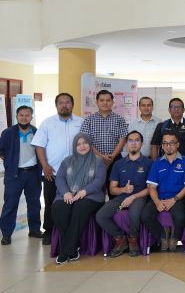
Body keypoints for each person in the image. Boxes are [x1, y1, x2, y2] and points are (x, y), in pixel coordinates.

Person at [32, 93, 83, 245]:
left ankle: (70, 232)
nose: (64, 105)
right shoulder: (47, 123)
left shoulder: (81, 122)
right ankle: (49, 231)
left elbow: (87, 145)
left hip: (76, 172)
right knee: (51, 202)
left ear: (72, 105)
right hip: (52, 172)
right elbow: (39, 146)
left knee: (74, 202)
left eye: (67, 102)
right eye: (61, 103)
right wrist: (45, 165)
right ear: (56, 105)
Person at [96, 131, 152, 257]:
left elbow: (151, 189)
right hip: (122, 196)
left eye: (137, 140)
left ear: (141, 144)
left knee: (134, 213)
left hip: (140, 196)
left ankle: (133, 240)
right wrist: (123, 190)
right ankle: (120, 239)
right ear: (126, 144)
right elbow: (112, 189)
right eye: (130, 140)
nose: (133, 143)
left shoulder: (149, 163)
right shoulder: (118, 164)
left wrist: (133, 196)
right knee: (100, 215)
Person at [51, 133, 106, 264]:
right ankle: (72, 248)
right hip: (68, 193)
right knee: (58, 208)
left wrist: (85, 191)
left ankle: (65, 251)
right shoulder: (67, 161)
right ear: (74, 147)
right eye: (78, 144)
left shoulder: (98, 161)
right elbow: (60, 178)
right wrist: (65, 192)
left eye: (85, 143)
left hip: (92, 195)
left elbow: (99, 181)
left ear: (90, 144)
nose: (82, 146)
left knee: (79, 208)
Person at [0, 106, 42, 245]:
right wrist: (9, 163)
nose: (24, 117)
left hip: (33, 174)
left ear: (31, 117)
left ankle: (34, 230)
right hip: (14, 175)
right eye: (21, 115)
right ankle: (6, 234)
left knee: (34, 203)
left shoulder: (36, 132)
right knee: (10, 205)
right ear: (16, 116)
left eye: (27, 115)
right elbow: (1, 150)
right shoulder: (8, 133)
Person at [142, 131, 185, 252]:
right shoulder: (157, 163)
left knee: (180, 216)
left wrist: (174, 200)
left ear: (177, 144)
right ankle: (162, 236)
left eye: (172, 143)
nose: (168, 146)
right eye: (165, 143)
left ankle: (175, 237)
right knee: (145, 215)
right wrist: (157, 202)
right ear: (162, 146)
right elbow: (152, 187)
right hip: (160, 197)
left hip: (178, 198)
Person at [80, 90, 128, 193]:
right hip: (94, 160)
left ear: (112, 102)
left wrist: (111, 157)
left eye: (108, 100)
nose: (105, 103)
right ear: (97, 102)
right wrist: (101, 156)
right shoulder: (88, 120)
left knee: (115, 191)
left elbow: (123, 139)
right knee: (96, 191)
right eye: (102, 100)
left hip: (115, 160)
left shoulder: (120, 119)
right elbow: (86, 141)